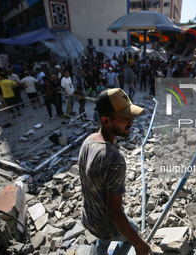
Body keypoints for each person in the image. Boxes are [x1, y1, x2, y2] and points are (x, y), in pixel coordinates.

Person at [78, 88, 151, 255]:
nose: (131, 122)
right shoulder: (113, 159)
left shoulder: (88, 142)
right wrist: (138, 243)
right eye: (124, 118)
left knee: (105, 238)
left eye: (131, 117)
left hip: (89, 217)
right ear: (105, 121)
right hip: (105, 225)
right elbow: (114, 213)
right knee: (133, 229)